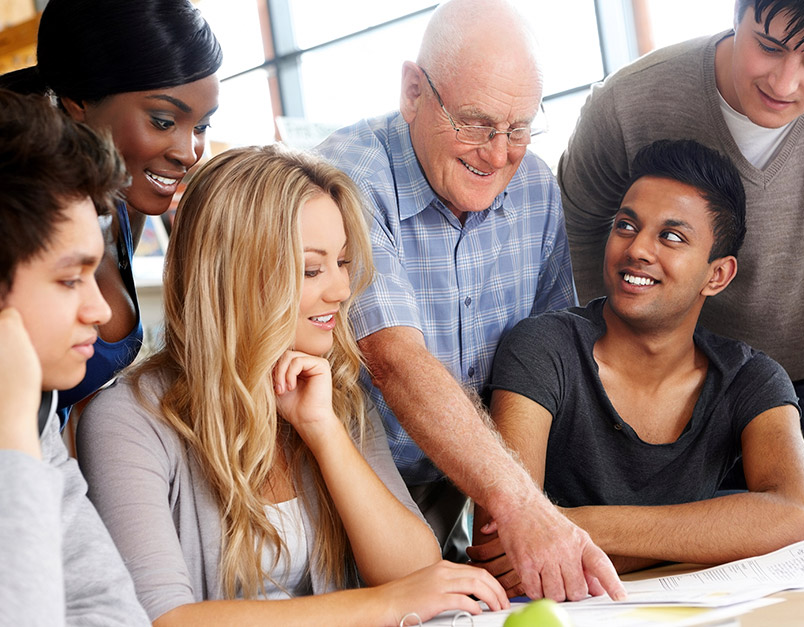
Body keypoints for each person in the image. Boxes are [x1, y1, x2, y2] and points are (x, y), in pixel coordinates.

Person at [77, 145, 509, 625]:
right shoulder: (127, 420)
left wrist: (323, 433)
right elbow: (162, 620)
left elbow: (419, 575)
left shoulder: (333, 394)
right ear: (232, 276)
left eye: (343, 262)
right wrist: (381, 605)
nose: (341, 290)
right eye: (311, 269)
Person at [558, 0, 804, 532]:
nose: (784, 81)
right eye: (769, 47)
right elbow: (571, 251)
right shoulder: (628, 102)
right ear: (737, 11)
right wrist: (614, 387)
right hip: (683, 391)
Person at [315, 0, 624, 602]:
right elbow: (395, 359)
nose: (497, 152)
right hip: (337, 493)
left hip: (456, 488)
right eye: (476, 124)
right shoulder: (348, 177)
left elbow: (545, 362)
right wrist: (518, 504)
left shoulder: (534, 187)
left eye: (518, 128)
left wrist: (510, 518)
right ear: (413, 92)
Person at [470, 140, 804, 592]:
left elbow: (796, 516)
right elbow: (501, 550)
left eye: (671, 237)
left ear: (717, 275)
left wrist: (569, 527)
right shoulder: (543, 346)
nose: (637, 249)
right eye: (626, 225)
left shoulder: (750, 379)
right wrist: (717, 533)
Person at [0, 0, 222, 415]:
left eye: (202, 126)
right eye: (163, 120)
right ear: (79, 99)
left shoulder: (125, 198)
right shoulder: (18, 206)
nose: (189, 152)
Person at [0, 88, 149, 625]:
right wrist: (11, 442)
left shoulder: (35, 412)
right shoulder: (20, 418)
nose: (100, 310)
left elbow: (108, 609)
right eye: (69, 279)